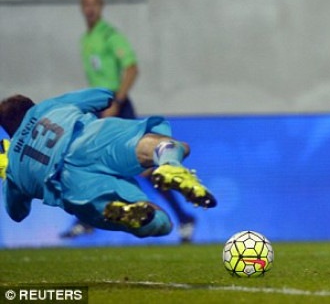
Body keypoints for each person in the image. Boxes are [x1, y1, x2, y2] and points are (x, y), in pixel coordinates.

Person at [62, 0, 197, 242]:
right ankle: (86, 219)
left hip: (117, 106)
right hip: (102, 108)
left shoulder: (110, 36)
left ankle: (183, 217)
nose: (90, 8)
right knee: (99, 162)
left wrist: (117, 100)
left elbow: (132, 68)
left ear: (101, 7)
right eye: (86, 4)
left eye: (94, 4)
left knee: (139, 167)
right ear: (82, 8)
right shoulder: (86, 39)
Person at [0, 88, 217, 238]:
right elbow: (104, 96)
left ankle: (121, 211)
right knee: (169, 145)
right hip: (89, 140)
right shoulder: (49, 107)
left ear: (8, 130)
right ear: (31, 107)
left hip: (71, 186)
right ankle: (170, 165)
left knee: (162, 224)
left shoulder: (14, 169)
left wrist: (6, 175)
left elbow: (17, 213)